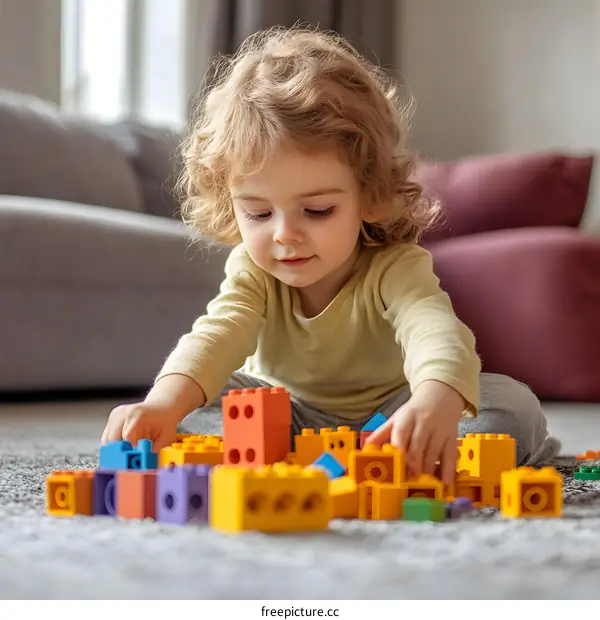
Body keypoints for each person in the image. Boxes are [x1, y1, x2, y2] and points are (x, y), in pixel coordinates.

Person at [101, 25, 560, 485]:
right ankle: (306, 457)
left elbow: (433, 329)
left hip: (389, 417)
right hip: (284, 416)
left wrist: (432, 401)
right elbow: (218, 332)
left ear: (371, 195)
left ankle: (404, 448)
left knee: (508, 402)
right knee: (201, 399)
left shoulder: (394, 265)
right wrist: (162, 401)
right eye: (258, 213)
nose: (285, 235)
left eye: (317, 210)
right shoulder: (252, 269)